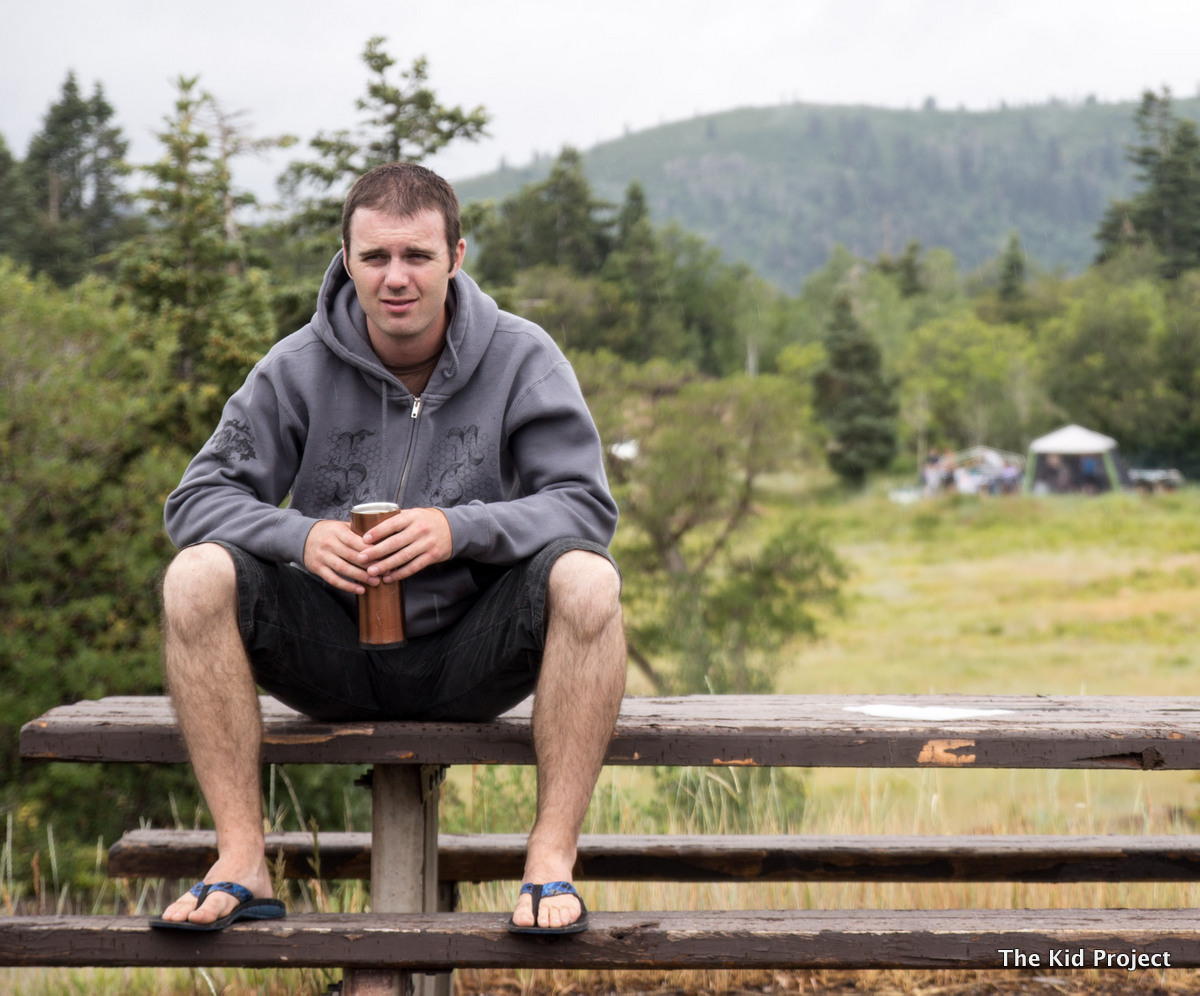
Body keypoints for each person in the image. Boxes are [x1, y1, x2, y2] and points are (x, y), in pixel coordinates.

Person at [151, 162, 626, 934]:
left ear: (456, 257)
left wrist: (459, 527)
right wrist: (301, 536)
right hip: (330, 651)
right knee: (195, 574)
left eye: (417, 256)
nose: (395, 277)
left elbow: (585, 506)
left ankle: (548, 858)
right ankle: (241, 858)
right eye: (374, 257)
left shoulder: (524, 357)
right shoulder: (295, 367)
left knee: (588, 579)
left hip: (473, 654)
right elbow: (195, 501)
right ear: (347, 260)